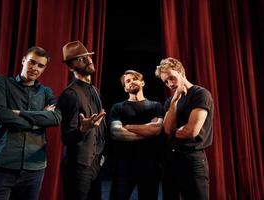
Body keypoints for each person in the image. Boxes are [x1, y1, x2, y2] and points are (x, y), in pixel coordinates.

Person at [0, 46, 62, 200]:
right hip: (0, 166)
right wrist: (39, 120)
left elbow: (56, 118)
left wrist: (21, 113)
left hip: (34, 170)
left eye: (40, 65)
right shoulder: (1, 83)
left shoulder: (46, 92)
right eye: (32, 62)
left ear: (44, 69)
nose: (35, 68)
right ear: (23, 61)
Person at [155, 57, 214, 200]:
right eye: (166, 81)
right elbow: (168, 130)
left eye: (172, 78)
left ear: (182, 72)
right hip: (171, 161)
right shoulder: (170, 101)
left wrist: (178, 129)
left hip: (192, 160)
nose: (170, 83)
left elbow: (191, 131)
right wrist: (174, 101)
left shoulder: (200, 94)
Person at [58, 40, 107, 200]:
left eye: (88, 56)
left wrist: (101, 157)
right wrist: (82, 130)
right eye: (81, 59)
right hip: (78, 167)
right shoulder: (70, 94)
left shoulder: (95, 89)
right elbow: (66, 137)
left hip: (96, 163)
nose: (88, 60)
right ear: (71, 67)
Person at [109, 70, 164, 200]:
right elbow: (116, 133)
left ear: (142, 82)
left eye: (134, 78)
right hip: (124, 166)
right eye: (127, 81)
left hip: (150, 166)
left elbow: (157, 129)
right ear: (125, 88)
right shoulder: (118, 107)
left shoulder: (156, 106)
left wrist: (128, 127)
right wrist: (148, 131)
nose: (131, 82)